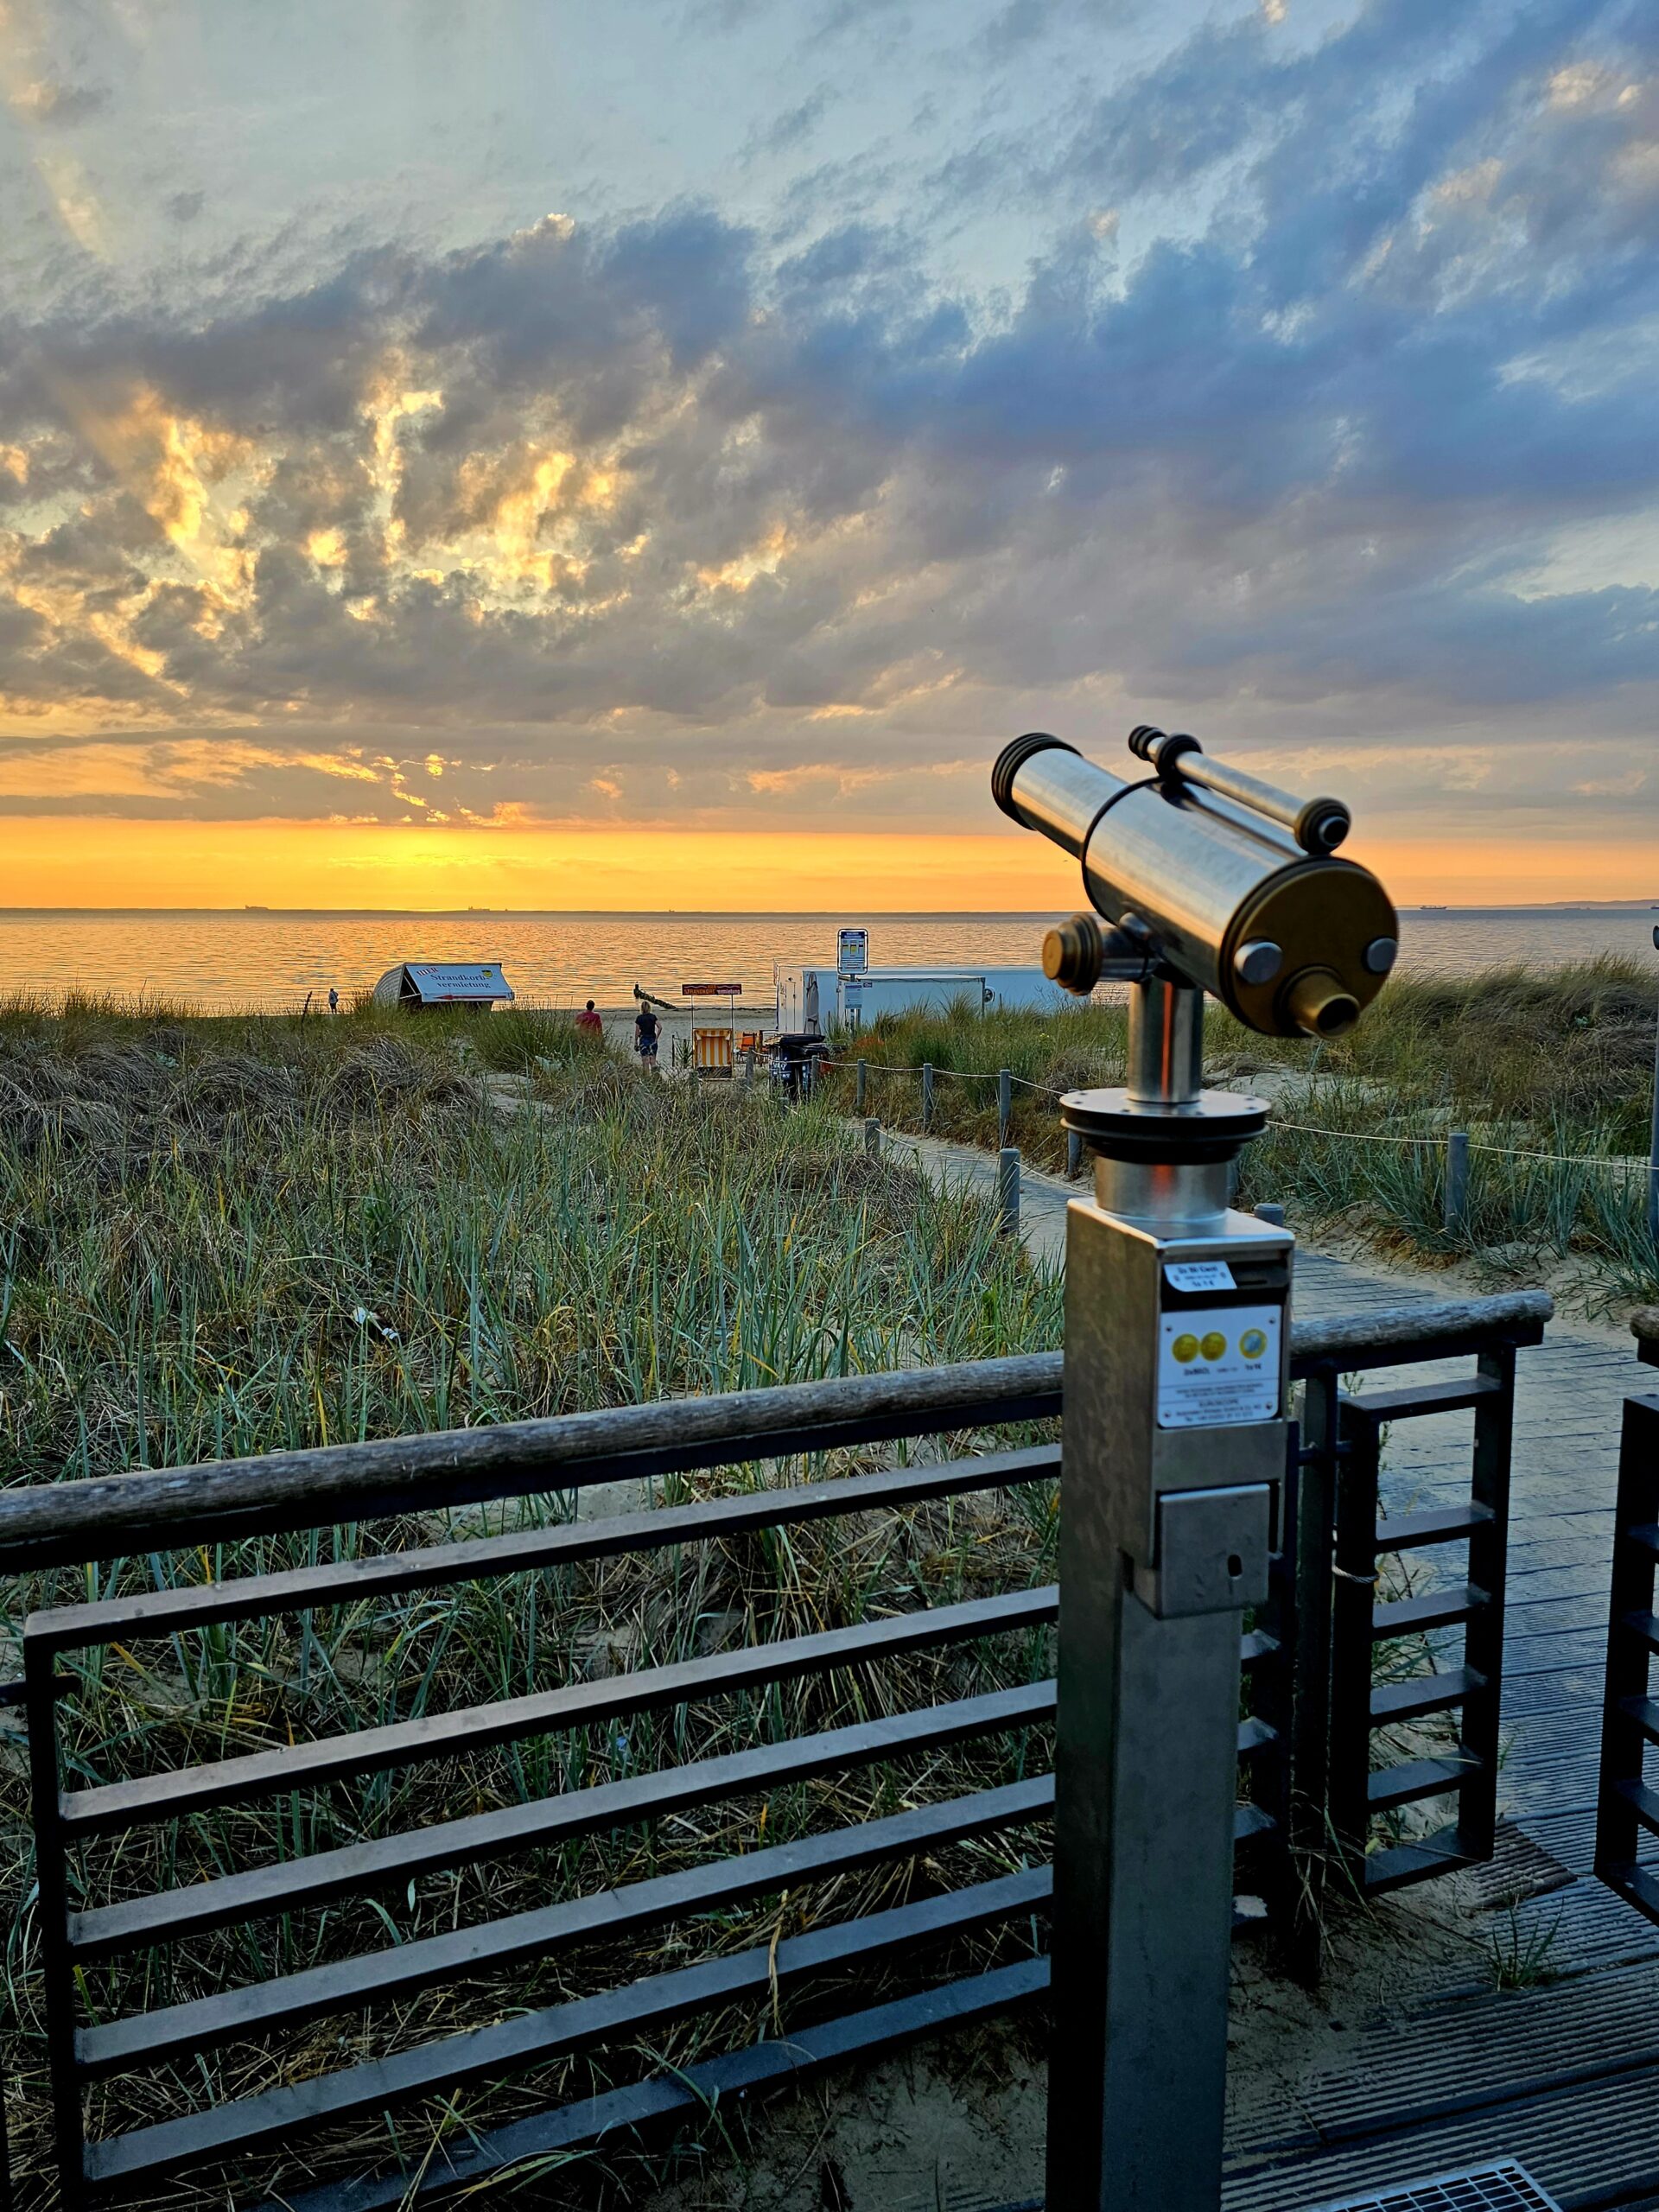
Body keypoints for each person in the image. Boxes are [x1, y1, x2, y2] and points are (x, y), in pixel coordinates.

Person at [634, 1002, 660, 1067]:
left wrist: (636, 1041)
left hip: (643, 1040)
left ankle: (646, 1076)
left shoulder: (639, 1018)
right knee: (653, 1060)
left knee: (645, 1061)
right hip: (652, 1039)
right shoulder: (653, 1017)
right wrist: (656, 1038)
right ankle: (654, 1075)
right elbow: (660, 1027)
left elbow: (637, 1031)